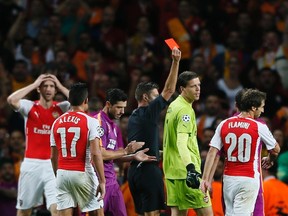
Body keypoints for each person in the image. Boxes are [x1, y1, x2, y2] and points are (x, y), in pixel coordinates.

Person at [200, 89, 281, 216]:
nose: (263, 110)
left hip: (228, 179)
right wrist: (270, 159)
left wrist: (205, 180)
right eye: (262, 107)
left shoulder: (224, 124)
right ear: (253, 107)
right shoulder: (258, 126)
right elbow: (276, 149)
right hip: (248, 178)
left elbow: (212, 152)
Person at [127, 47, 181, 216]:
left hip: (134, 171)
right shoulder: (148, 113)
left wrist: (159, 152)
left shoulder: (132, 117)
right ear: (145, 98)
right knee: (153, 214)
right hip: (148, 170)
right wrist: (176, 61)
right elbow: (170, 90)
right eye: (155, 96)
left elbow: (143, 142)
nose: (159, 99)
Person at [7, 73, 70, 216]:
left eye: (51, 86)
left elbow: (81, 102)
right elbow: (11, 100)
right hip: (31, 164)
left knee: (57, 209)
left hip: (54, 165)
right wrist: (35, 83)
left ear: (55, 90)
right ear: (39, 89)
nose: (48, 89)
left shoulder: (62, 108)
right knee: (24, 211)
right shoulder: (29, 107)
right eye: (45, 86)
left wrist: (59, 84)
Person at [94, 88, 156, 216]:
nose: (122, 111)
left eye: (124, 107)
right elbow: (100, 154)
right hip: (97, 182)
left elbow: (113, 156)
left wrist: (133, 156)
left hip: (112, 181)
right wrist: (126, 151)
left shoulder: (114, 126)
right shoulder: (98, 123)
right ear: (108, 104)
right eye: (118, 107)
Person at [50, 82, 106, 216]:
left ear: (69, 100)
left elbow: (53, 156)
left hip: (62, 173)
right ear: (85, 101)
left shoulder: (56, 122)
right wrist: (102, 181)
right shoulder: (90, 121)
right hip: (82, 171)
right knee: (96, 212)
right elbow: (95, 153)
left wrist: (58, 175)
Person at [163, 71, 213, 216]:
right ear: (182, 89)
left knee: (178, 213)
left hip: (172, 172)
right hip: (186, 172)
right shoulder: (185, 110)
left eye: (199, 85)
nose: (198, 89)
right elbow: (181, 142)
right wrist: (191, 169)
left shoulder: (173, 106)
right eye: (193, 86)